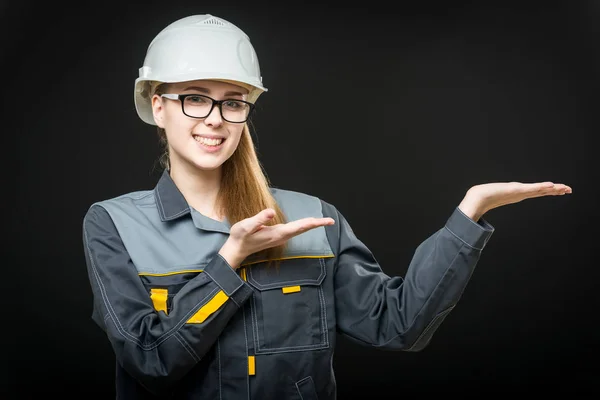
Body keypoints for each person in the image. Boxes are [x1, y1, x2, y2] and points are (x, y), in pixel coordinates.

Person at [81, 14, 572, 399]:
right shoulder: (115, 225)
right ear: (157, 105)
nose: (215, 119)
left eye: (233, 101)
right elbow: (152, 362)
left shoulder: (313, 219)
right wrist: (229, 262)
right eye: (195, 98)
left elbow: (398, 325)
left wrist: (469, 215)